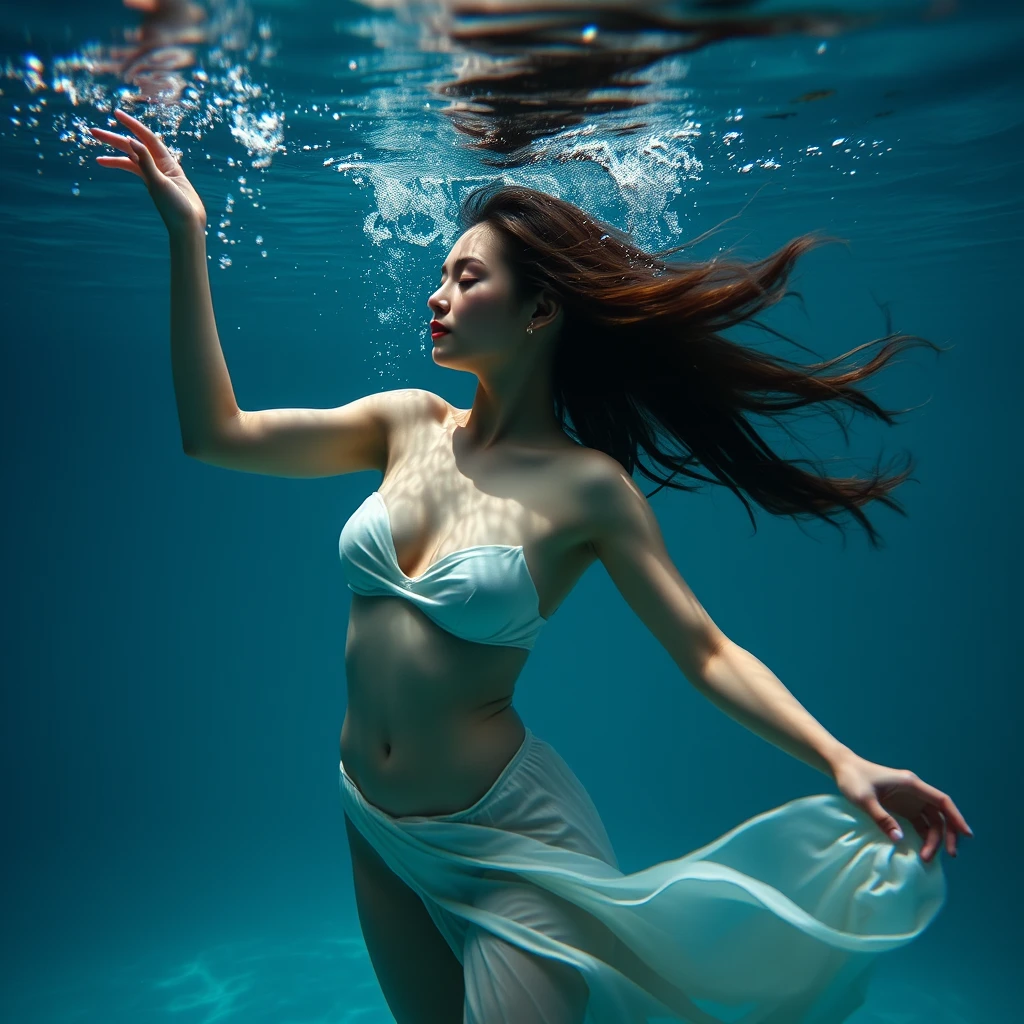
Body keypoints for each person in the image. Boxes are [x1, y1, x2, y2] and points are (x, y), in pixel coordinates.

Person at [90, 108, 972, 1024]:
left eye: (466, 278)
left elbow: (705, 651)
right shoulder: (405, 423)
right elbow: (215, 433)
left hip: (510, 836)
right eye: (440, 274)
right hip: (374, 820)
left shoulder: (590, 491)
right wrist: (186, 233)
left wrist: (841, 761)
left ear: (540, 310)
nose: (436, 295)